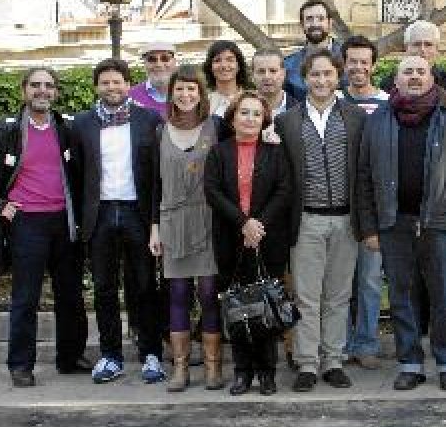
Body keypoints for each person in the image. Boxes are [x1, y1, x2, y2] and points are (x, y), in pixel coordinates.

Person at [358, 55, 446, 391]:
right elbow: (364, 176)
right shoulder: (379, 120)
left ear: (432, 78)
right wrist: (368, 227)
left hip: (440, 223)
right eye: (407, 72)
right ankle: (410, 363)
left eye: (420, 72)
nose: (414, 77)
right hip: (393, 222)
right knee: (401, 295)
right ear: (395, 81)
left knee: (444, 296)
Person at [0, 67, 87, 387]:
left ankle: (70, 357)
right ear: (24, 91)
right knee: (25, 298)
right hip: (26, 223)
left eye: (48, 85)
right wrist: (0, 206)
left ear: (56, 92)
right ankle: (21, 365)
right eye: (35, 85)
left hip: (65, 222)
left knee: (70, 295)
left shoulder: (69, 128)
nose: (42, 91)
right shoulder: (3, 131)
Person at [275, 48, 367, 392]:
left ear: (337, 76)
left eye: (328, 74)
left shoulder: (356, 118)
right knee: (306, 297)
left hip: (345, 220)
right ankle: (307, 363)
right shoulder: (287, 122)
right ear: (304, 77)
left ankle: (333, 360)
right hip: (308, 220)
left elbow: (364, 172)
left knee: (338, 295)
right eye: (315, 74)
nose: (321, 80)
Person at [71, 58, 164, 385]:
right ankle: (111, 355)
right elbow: (77, 173)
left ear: (128, 84)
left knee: (144, 285)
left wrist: (156, 220)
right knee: (104, 288)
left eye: (118, 82)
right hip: (100, 214)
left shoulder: (149, 120)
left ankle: (152, 353)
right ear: (97, 87)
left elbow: (156, 176)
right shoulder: (81, 124)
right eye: (105, 83)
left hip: (137, 212)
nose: (112, 88)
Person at [205, 92, 295, 395]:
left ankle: (267, 372)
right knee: (239, 308)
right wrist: (243, 223)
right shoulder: (218, 153)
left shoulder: (275, 152)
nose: (250, 119)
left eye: (257, 114)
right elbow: (213, 192)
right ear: (232, 118)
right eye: (244, 113)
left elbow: (284, 191)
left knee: (266, 306)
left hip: (267, 240)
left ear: (264, 120)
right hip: (231, 239)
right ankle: (242, 372)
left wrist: (258, 225)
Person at [148, 66, 225, 392]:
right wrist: (154, 227)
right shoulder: (158, 131)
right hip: (172, 220)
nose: (186, 95)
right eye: (180, 89)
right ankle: (180, 368)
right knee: (177, 294)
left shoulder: (217, 127)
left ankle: (212, 367)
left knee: (209, 294)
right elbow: (154, 184)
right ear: (172, 93)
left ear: (201, 93)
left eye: (192, 89)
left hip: (208, 218)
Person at [340, 35, 391, 370]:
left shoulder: (388, 103)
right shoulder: (331, 99)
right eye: (352, 61)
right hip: (338, 206)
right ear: (343, 65)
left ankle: (367, 342)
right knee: (340, 283)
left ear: (373, 65)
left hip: (373, 208)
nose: (358, 68)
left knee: (371, 281)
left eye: (364, 62)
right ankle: (339, 344)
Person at [380, 20, 446, 107]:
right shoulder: (388, 84)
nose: (422, 49)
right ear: (406, 48)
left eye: (428, 44)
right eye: (417, 44)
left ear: (437, 49)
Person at [283, 0, 345, 101]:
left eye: (320, 19)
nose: (315, 24)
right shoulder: (288, 65)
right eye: (309, 19)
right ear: (302, 25)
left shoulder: (348, 59)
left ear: (330, 23)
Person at [203, 40, 252, 117]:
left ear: (239, 65)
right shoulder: (203, 103)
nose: (224, 65)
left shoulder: (253, 100)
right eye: (217, 60)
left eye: (230, 60)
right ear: (210, 67)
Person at [129, 41, 177, 118]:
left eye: (165, 58)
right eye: (152, 59)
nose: (159, 64)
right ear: (144, 64)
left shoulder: (189, 94)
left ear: (174, 62)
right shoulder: (132, 97)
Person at [251, 47, 298, 121]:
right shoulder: (238, 110)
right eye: (261, 71)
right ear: (252, 76)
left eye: (273, 71)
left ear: (283, 74)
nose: (267, 77)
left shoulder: (301, 112)